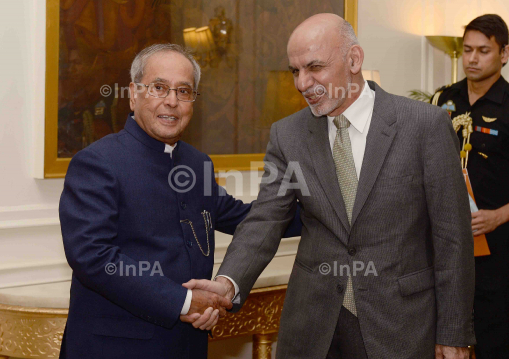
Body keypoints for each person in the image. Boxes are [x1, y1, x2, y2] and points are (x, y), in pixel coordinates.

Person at [185, 14, 475, 359]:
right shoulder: (288, 134)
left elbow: (452, 238)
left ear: (354, 59)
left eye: (314, 67)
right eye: (295, 71)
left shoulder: (423, 125)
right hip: (312, 328)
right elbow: (265, 220)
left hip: (400, 326)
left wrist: (453, 334)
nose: (302, 83)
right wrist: (227, 283)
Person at [58, 43, 301, 359]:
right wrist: (184, 302)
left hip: (187, 346)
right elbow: (93, 256)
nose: (172, 101)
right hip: (115, 348)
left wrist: (330, 209)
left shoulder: (196, 163)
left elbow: (249, 219)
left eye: (184, 91)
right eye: (159, 88)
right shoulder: (97, 162)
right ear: (133, 94)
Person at [431, 14, 509, 359]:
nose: (473, 59)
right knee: (445, 342)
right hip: (446, 246)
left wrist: (498, 216)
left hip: (497, 250)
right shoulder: (442, 100)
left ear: (504, 54)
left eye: (483, 51)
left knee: (494, 341)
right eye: (467, 50)